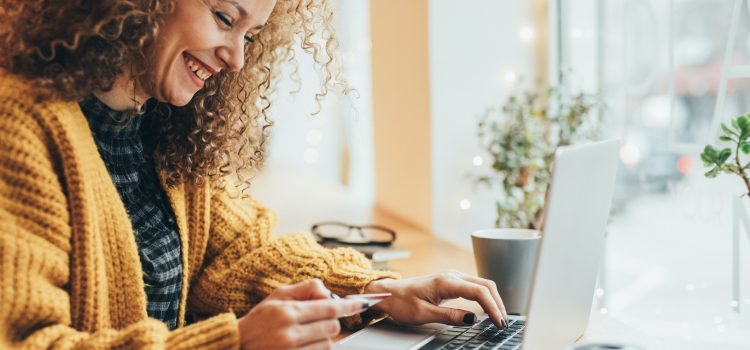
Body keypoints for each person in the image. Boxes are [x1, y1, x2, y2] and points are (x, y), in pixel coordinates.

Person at [0, 0, 508, 349]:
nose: (238, 59)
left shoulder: (161, 124)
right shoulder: (19, 123)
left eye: (252, 34)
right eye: (224, 17)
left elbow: (240, 255)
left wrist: (378, 289)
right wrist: (234, 342)